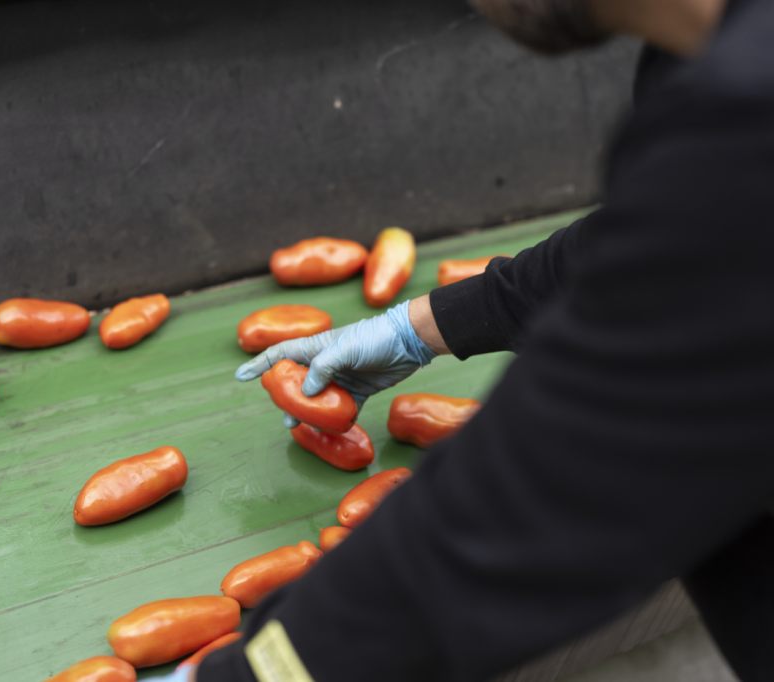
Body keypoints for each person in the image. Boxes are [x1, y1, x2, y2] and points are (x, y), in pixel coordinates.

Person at [156, 0, 774, 679]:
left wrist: (255, 674)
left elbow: (543, 492)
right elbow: (683, 249)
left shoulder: (745, 111)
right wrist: (418, 327)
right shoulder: (727, 70)